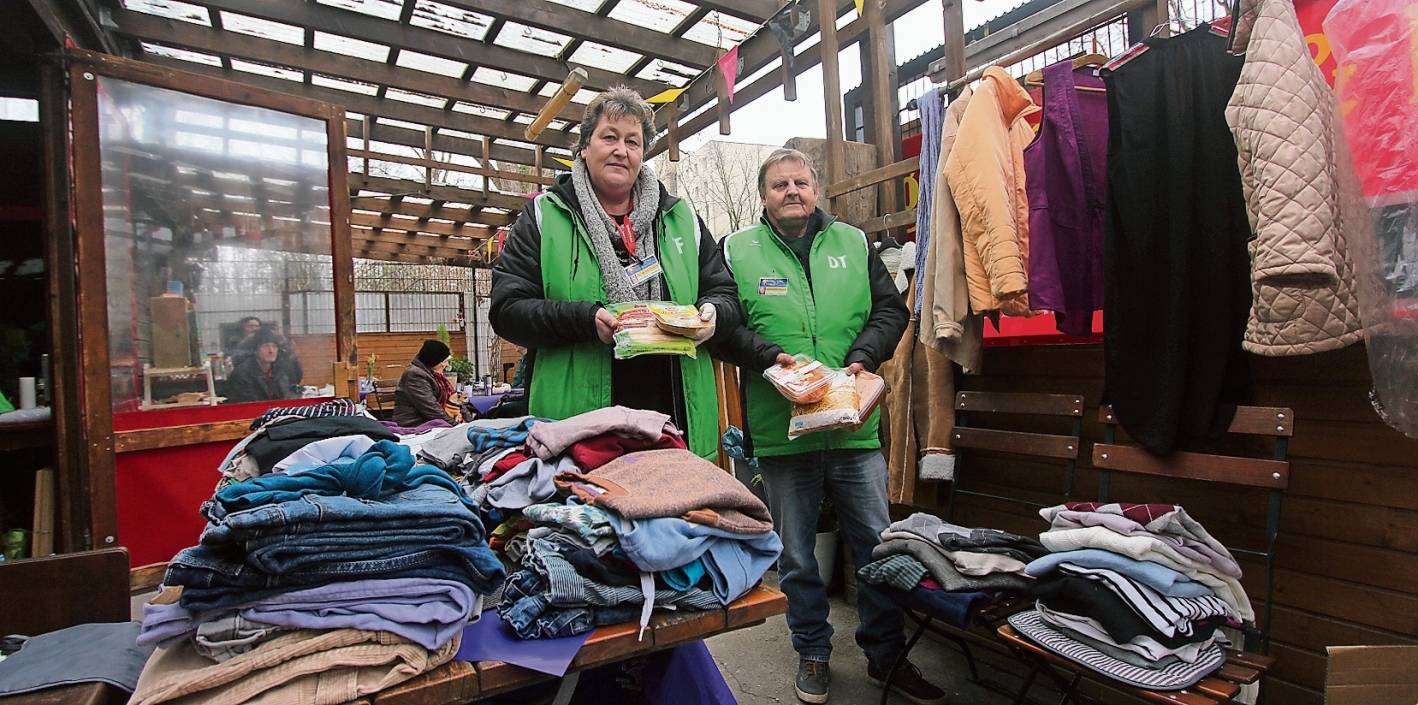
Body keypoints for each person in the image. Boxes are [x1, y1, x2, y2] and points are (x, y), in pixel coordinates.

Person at [712, 149, 943, 704]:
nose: (791, 191)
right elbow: (721, 327)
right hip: (781, 432)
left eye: (800, 182)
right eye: (778, 184)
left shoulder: (855, 244)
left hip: (853, 427)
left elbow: (892, 313)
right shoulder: (736, 251)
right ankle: (812, 651)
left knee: (878, 549)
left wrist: (865, 354)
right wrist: (769, 357)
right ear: (762, 195)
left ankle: (885, 658)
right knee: (796, 555)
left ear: (817, 190)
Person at [490, 86, 741, 460]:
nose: (621, 150)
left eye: (633, 142)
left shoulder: (680, 219)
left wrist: (712, 315)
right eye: (609, 137)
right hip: (581, 433)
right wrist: (584, 319)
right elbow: (507, 310)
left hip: (675, 424)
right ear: (585, 147)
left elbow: (726, 294)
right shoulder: (545, 216)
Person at [392, 339, 459, 427]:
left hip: (430, 423)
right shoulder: (415, 375)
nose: (446, 365)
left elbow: (455, 400)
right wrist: (456, 427)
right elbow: (431, 409)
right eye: (444, 361)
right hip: (414, 425)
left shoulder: (433, 373)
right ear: (434, 360)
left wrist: (468, 422)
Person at [225, 327, 300, 403]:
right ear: (255, 350)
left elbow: (289, 395)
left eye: (274, 346)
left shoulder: (281, 371)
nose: (271, 351)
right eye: (265, 346)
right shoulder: (242, 374)